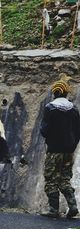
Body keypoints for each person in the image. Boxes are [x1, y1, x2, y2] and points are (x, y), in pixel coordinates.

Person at [40, 74, 80, 219]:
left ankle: (53, 209)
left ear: (55, 92)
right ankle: (73, 206)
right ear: (66, 92)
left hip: (54, 150)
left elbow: (44, 130)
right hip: (69, 151)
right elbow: (78, 132)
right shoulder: (74, 109)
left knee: (51, 178)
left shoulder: (50, 108)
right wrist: (72, 146)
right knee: (64, 178)